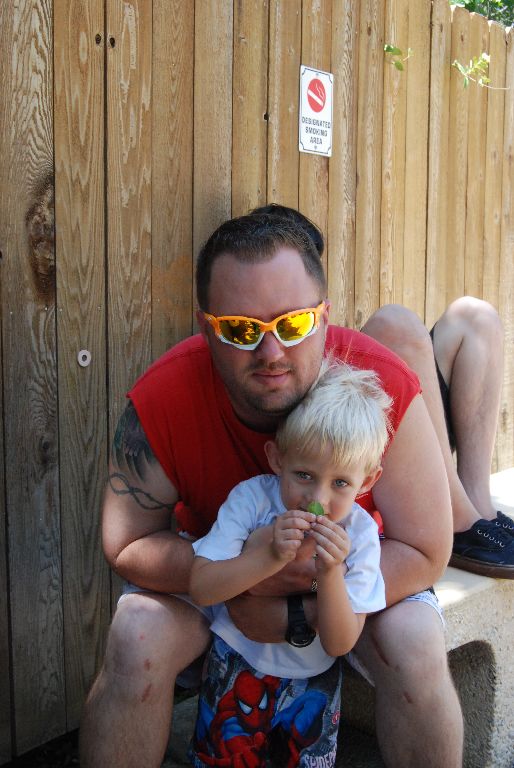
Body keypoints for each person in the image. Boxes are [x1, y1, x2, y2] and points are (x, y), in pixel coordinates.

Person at [81, 210, 466, 768]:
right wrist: (247, 574)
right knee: (135, 634)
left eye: (293, 324)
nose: (271, 353)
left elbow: (427, 549)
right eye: (240, 330)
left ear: (324, 316)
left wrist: (301, 607)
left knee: (417, 645)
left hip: (350, 577)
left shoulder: (380, 385)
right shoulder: (165, 396)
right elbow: (126, 543)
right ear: (206, 326)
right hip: (216, 575)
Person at [187, 360, 389, 767]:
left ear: (367, 481)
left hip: (314, 684)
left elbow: (340, 642)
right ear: (276, 458)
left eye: (340, 483)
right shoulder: (251, 500)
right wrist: (270, 555)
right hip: (236, 664)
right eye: (303, 475)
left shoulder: (360, 535)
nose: (318, 499)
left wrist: (329, 573)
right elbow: (203, 587)